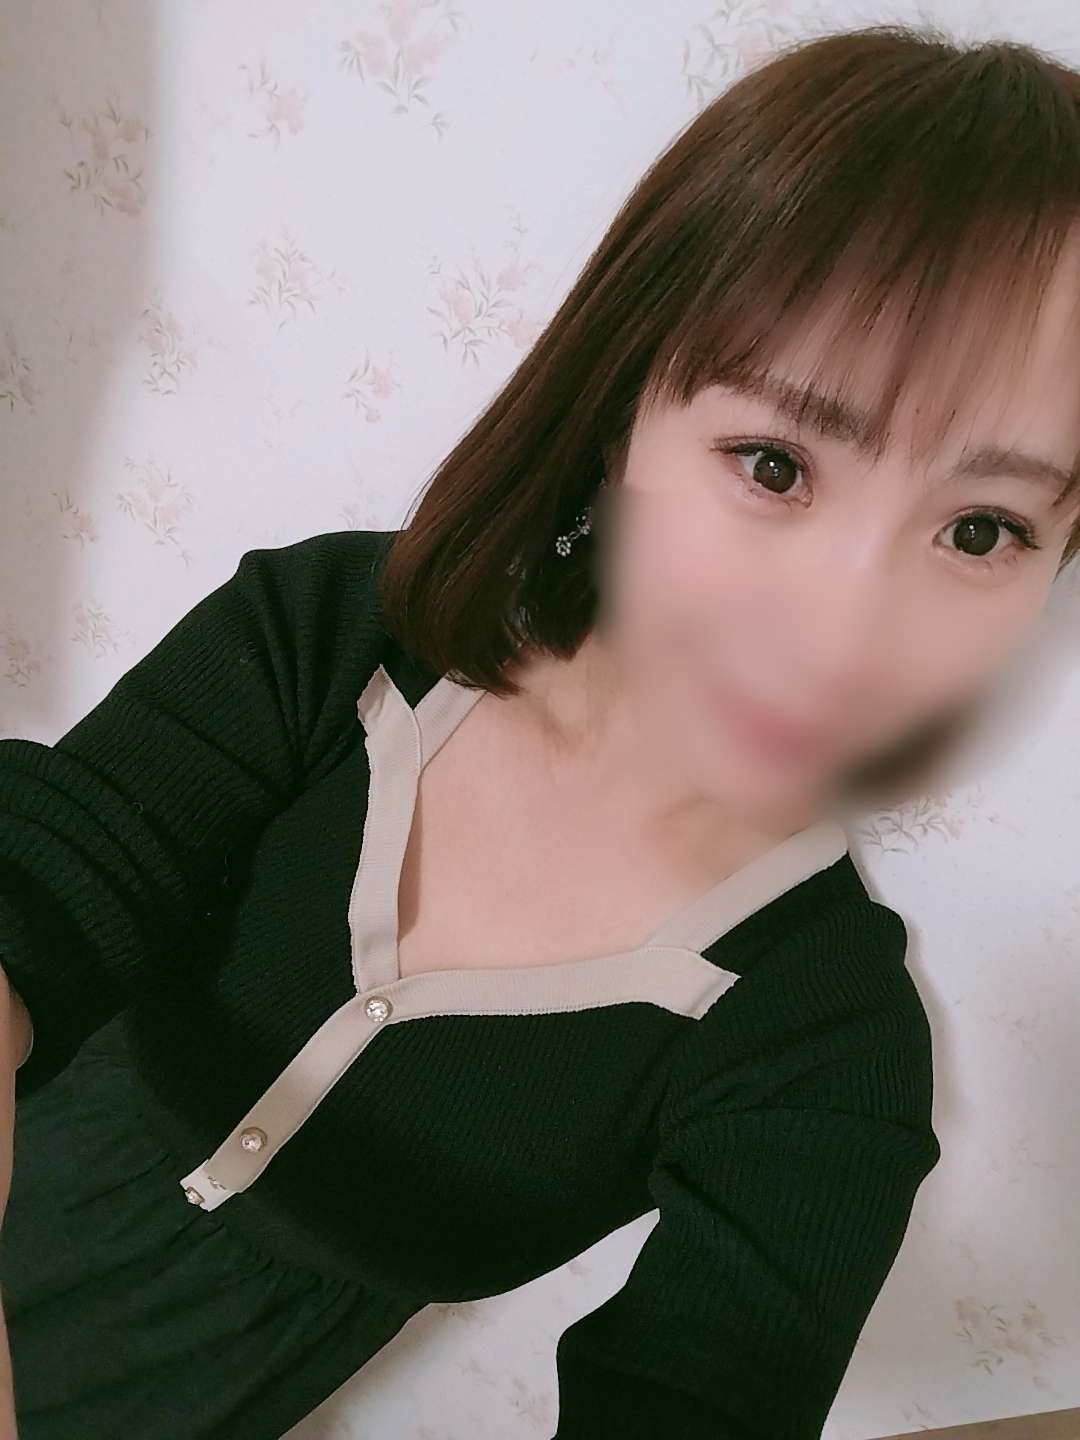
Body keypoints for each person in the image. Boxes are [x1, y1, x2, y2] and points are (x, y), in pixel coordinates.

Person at [2, 19, 1079, 1440]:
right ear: (624, 406)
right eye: (774, 464)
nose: (844, 628)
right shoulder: (334, 634)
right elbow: (41, 884)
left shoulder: (824, 1051)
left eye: (984, 529)